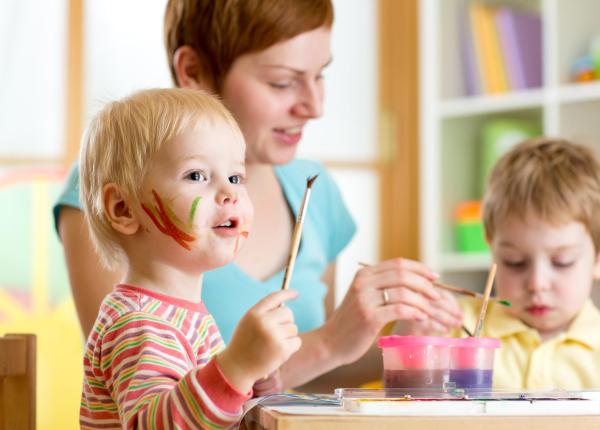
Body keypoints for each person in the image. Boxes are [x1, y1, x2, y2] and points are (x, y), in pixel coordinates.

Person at [55, 0, 462, 391]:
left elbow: (309, 383)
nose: (314, 106)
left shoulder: (312, 190)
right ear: (194, 70)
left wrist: (402, 338)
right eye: (282, 82)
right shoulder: (126, 190)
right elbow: (144, 396)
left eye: (320, 75)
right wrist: (325, 343)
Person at [78, 88, 301, 429]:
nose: (229, 193)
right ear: (123, 208)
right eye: (196, 176)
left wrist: (248, 385)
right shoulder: (139, 323)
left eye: (236, 177)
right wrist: (235, 368)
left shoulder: (180, 314)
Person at [406, 138, 600, 390]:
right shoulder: (451, 327)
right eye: (515, 262)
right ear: (492, 248)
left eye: (562, 262)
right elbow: (404, 409)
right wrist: (413, 339)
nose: (537, 284)